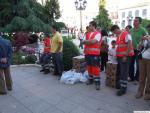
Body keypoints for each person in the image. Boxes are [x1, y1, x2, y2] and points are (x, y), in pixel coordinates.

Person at [111, 25, 134, 96]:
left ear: (117, 29)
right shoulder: (119, 35)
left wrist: (125, 55)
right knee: (122, 71)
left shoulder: (125, 34)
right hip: (121, 57)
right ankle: (122, 85)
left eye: (114, 31)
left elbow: (129, 44)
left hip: (125, 57)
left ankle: (123, 89)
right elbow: (119, 47)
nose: (114, 33)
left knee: (124, 72)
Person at [82, 21, 102, 90]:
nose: (89, 27)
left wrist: (86, 42)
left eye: (90, 25)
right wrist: (87, 42)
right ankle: (90, 79)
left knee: (95, 68)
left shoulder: (98, 34)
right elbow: (82, 41)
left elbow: (94, 41)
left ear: (93, 26)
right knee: (89, 67)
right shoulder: (87, 34)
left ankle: (97, 82)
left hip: (94, 54)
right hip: (87, 54)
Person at [129, 17, 148, 82]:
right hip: (132, 49)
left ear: (139, 22)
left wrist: (143, 40)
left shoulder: (143, 30)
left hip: (139, 50)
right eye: (134, 21)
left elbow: (147, 37)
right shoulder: (131, 30)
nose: (134, 22)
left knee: (138, 64)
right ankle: (131, 77)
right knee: (131, 64)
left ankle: (137, 78)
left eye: (136, 21)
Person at [135, 35, 150, 100]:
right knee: (141, 76)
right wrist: (141, 41)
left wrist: (148, 39)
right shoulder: (147, 36)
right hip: (142, 59)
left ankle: (148, 93)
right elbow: (138, 47)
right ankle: (140, 91)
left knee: (149, 78)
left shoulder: (147, 38)